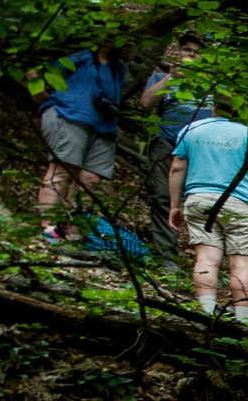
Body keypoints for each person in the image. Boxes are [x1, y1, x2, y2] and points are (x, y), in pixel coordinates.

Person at [168, 110, 248, 323]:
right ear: (239, 107)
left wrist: (176, 205)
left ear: (214, 106)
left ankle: (205, 314)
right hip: (241, 203)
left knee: (206, 259)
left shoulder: (192, 129)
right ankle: (243, 321)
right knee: (241, 265)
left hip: (199, 199)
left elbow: (177, 168)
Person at [35, 47, 126, 248]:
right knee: (62, 171)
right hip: (70, 114)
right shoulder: (80, 56)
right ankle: (48, 229)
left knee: (91, 178)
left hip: (104, 125)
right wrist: (42, 97)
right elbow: (37, 73)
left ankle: (74, 233)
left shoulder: (118, 68)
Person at [137, 41, 214, 230]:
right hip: (168, 142)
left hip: (203, 147)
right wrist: (171, 77)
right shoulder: (162, 77)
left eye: (197, 52)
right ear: (179, 53)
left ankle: (200, 246)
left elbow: (230, 111)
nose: (191, 54)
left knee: (202, 198)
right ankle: (166, 253)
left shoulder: (212, 83)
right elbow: (146, 102)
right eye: (187, 49)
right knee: (163, 195)